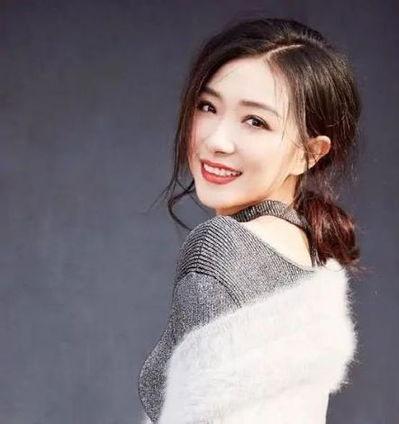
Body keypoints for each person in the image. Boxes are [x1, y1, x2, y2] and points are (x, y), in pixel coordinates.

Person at [138, 16, 363, 424]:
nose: (216, 140)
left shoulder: (220, 248)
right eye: (208, 107)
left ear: (310, 153)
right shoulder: (310, 256)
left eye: (255, 121)